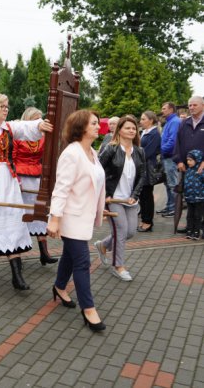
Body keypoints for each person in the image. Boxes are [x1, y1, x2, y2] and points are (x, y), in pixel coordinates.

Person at [0, 94, 53, 290]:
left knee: (13, 225)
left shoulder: (9, 128)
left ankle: (17, 276)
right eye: (1, 106)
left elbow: (25, 127)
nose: (6, 109)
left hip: (10, 184)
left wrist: (40, 125)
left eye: (7, 106)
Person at [46, 110, 106, 332]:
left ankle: (60, 287)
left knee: (71, 257)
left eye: (98, 123)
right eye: (94, 123)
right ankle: (88, 309)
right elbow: (61, 189)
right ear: (81, 127)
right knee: (82, 261)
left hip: (84, 215)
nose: (98, 126)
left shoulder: (91, 151)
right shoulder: (71, 154)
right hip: (70, 216)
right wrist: (54, 219)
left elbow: (95, 182)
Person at [96, 115, 146, 282]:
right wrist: (104, 196)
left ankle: (103, 245)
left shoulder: (139, 151)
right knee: (121, 232)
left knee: (130, 232)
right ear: (120, 130)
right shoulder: (111, 148)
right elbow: (97, 172)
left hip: (130, 200)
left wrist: (134, 195)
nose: (131, 130)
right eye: (127, 128)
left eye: (133, 128)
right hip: (114, 199)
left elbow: (142, 176)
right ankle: (118, 266)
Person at [13, 107, 58, 266]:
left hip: (37, 178)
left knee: (39, 212)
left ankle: (44, 253)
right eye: (36, 119)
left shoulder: (43, 138)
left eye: (41, 119)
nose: (40, 122)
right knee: (20, 213)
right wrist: (14, 178)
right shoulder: (17, 135)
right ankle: (16, 253)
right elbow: (12, 158)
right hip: (20, 178)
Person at [174, 96, 204, 237]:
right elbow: (178, 143)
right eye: (189, 105)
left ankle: (200, 227)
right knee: (190, 198)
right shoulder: (184, 123)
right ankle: (191, 225)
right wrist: (179, 161)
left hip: (202, 169)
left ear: (202, 105)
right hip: (187, 168)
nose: (191, 107)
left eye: (194, 105)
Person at [137, 111, 161, 232]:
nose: (140, 121)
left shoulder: (154, 133)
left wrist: (136, 156)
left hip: (148, 167)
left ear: (151, 120)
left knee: (147, 194)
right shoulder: (144, 132)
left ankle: (148, 221)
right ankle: (144, 219)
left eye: (143, 119)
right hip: (142, 166)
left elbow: (149, 151)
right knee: (142, 194)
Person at [157, 102, 181, 217]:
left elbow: (173, 141)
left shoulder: (175, 121)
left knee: (173, 185)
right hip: (166, 157)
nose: (162, 111)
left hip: (170, 157)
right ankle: (170, 207)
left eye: (164, 108)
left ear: (171, 109)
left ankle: (176, 209)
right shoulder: (169, 122)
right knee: (168, 184)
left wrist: (161, 150)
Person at [183, 150, 204, 240]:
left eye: (191, 160)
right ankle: (189, 230)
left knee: (197, 215)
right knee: (189, 215)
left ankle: (196, 231)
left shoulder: (201, 172)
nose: (188, 162)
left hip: (199, 198)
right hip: (189, 198)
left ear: (197, 160)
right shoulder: (188, 171)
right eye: (187, 160)